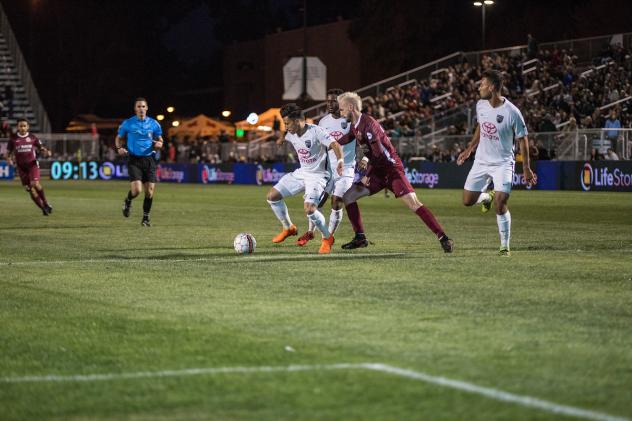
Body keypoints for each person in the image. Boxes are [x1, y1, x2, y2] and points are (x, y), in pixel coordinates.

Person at [337, 92, 454, 253]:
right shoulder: (355, 124)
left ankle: (443, 237)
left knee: (413, 203)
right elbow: (350, 136)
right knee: (349, 197)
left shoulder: (368, 124)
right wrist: (330, 142)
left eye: (342, 109)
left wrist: (366, 175)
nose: (340, 113)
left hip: (391, 169)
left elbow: (378, 155)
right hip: (377, 171)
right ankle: (360, 237)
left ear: (351, 107)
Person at [457, 70, 536, 257]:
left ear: (492, 87)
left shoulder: (512, 112)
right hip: (482, 161)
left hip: (503, 163)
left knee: (501, 202)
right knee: (468, 201)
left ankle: (504, 246)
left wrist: (525, 168)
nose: (479, 87)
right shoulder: (480, 105)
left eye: (482, 84)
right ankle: (486, 198)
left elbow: (523, 139)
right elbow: (481, 126)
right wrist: (470, 148)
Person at [266, 103, 344, 254]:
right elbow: (285, 133)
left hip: (319, 176)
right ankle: (289, 228)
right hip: (302, 173)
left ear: (297, 121)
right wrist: (281, 139)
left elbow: (336, 145)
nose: (286, 126)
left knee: (310, 209)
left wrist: (340, 162)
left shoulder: (316, 131)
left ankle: (327, 238)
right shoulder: (291, 132)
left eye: (287, 123)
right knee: (272, 196)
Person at [296, 88, 356, 247]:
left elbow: (362, 142)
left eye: (333, 101)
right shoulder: (323, 122)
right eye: (328, 101)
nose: (329, 104)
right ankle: (310, 232)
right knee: (316, 203)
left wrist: (364, 158)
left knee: (336, 202)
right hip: (328, 169)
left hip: (347, 168)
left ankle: (327, 239)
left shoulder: (350, 120)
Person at [115, 98, 164, 227]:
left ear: (147, 108)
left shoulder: (154, 124)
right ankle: (128, 200)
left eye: (143, 106)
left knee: (150, 191)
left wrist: (160, 143)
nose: (141, 109)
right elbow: (119, 138)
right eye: (139, 106)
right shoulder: (128, 123)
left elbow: (160, 139)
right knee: (137, 190)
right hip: (134, 159)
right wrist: (119, 148)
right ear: (135, 109)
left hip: (149, 159)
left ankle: (145, 218)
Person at [6, 118, 53, 215]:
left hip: (32, 165)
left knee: (34, 183)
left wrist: (46, 151)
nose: (22, 128)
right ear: (17, 127)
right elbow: (8, 153)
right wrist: (9, 159)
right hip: (21, 168)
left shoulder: (32, 137)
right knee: (30, 189)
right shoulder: (13, 139)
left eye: (24, 126)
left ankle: (46, 202)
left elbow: (41, 148)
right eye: (20, 126)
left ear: (28, 127)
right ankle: (43, 208)